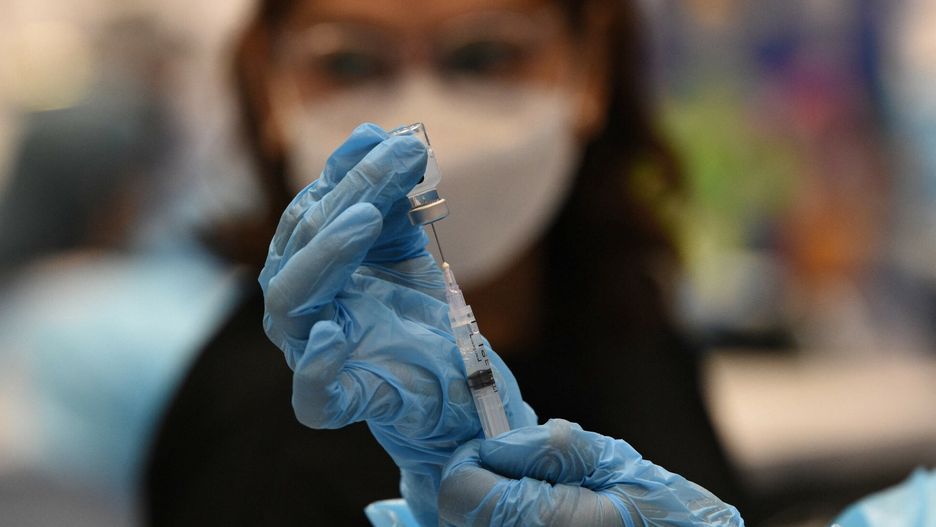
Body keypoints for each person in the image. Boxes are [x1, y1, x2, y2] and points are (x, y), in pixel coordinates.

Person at [144, 0, 752, 524]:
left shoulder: (624, 318)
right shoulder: (263, 425)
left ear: (590, 63)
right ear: (267, 80)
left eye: (485, 56)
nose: (423, 118)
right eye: (349, 62)